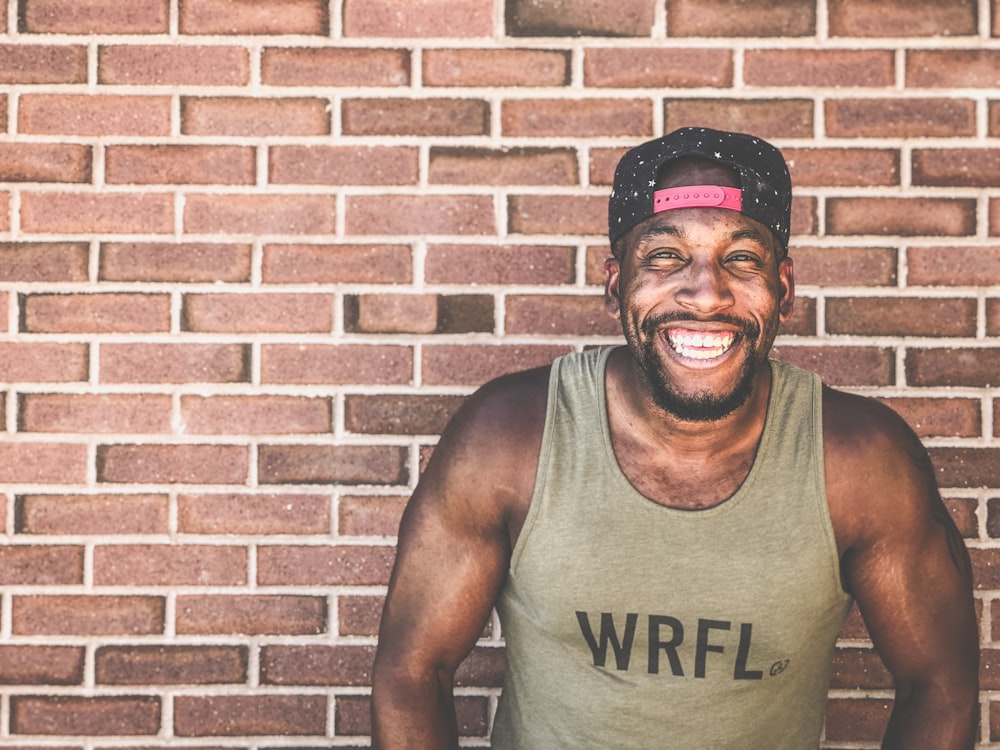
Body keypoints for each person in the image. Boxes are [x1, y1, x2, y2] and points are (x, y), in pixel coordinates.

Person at [370, 127, 979, 749]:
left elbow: (941, 685)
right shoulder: (508, 439)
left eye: (741, 258)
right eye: (665, 257)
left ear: (785, 289)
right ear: (615, 284)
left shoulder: (861, 461)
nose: (706, 293)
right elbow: (411, 671)